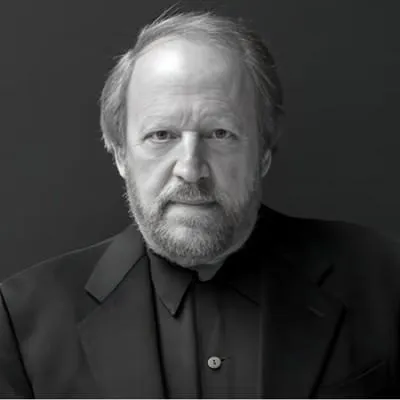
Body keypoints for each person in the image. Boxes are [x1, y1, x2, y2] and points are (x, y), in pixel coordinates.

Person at [1, 9, 400, 399]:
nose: (191, 169)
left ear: (264, 150)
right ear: (121, 154)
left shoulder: (386, 281)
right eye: (161, 134)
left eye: (220, 133)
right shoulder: (20, 321)